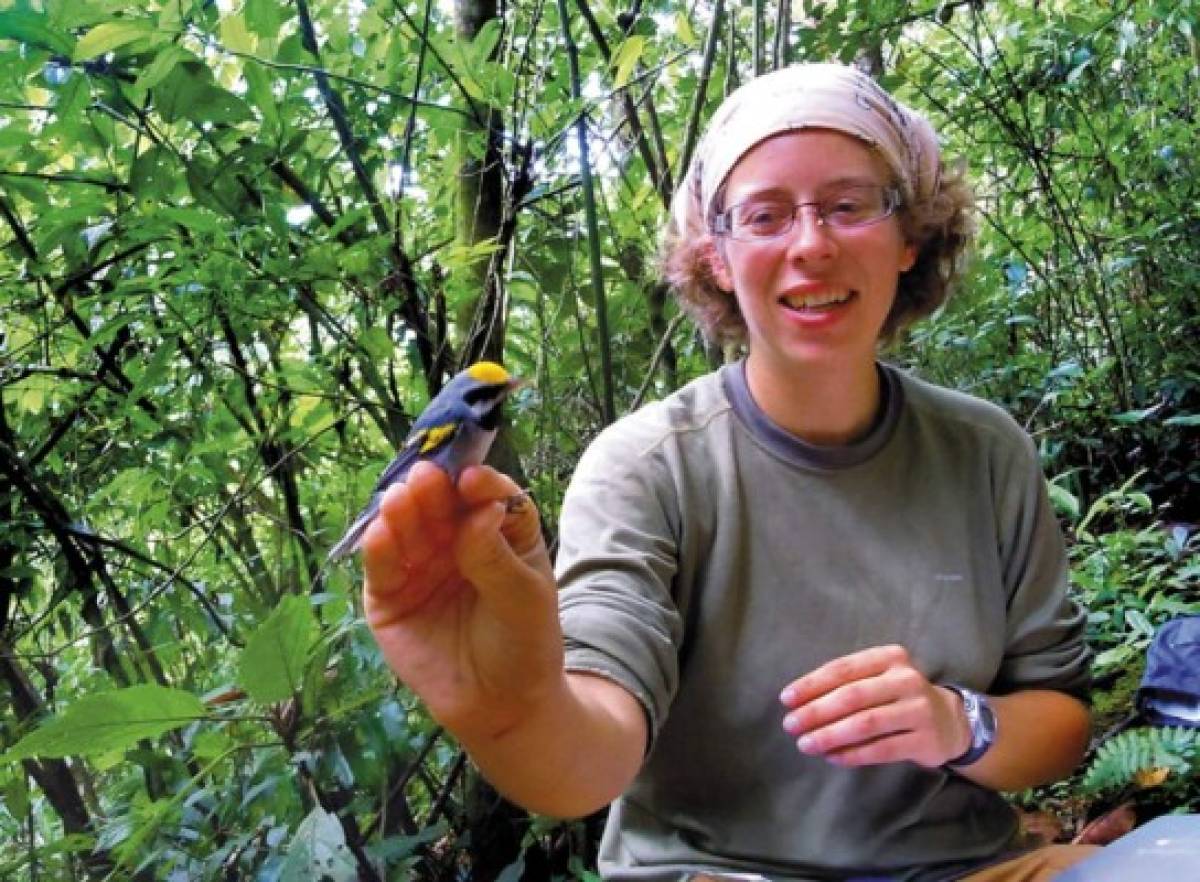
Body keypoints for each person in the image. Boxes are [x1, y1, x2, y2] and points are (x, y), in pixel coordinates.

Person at [360, 63, 1096, 882]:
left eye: (849, 205)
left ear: (909, 235)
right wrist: (508, 706)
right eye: (766, 215)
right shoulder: (646, 465)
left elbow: (1061, 718)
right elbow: (589, 754)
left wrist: (959, 723)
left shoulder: (985, 450)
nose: (811, 244)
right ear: (716, 256)